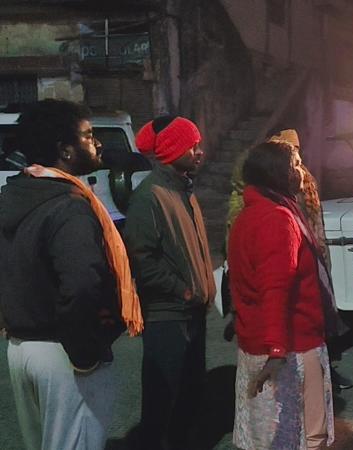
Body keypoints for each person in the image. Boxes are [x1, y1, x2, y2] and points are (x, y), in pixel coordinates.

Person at [0, 99, 143, 450]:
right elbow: (81, 284)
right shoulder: (68, 206)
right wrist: (84, 352)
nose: (98, 144)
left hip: (20, 347)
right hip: (62, 353)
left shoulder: (14, 195)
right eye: (88, 136)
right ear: (65, 150)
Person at [228, 140, 336, 449]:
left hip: (260, 344)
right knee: (304, 433)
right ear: (278, 173)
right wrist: (277, 350)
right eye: (296, 165)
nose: (302, 171)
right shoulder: (278, 218)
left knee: (266, 437)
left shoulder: (250, 214)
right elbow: (275, 288)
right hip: (292, 347)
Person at [124, 115, 216, 450]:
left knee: (189, 400)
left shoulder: (182, 191)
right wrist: (185, 290)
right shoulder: (150, 196)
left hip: (191, 313)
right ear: (172, 150)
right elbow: (142, 260)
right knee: (162, 404)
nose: (199, 152)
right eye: (192, 146)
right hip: (167, 316)